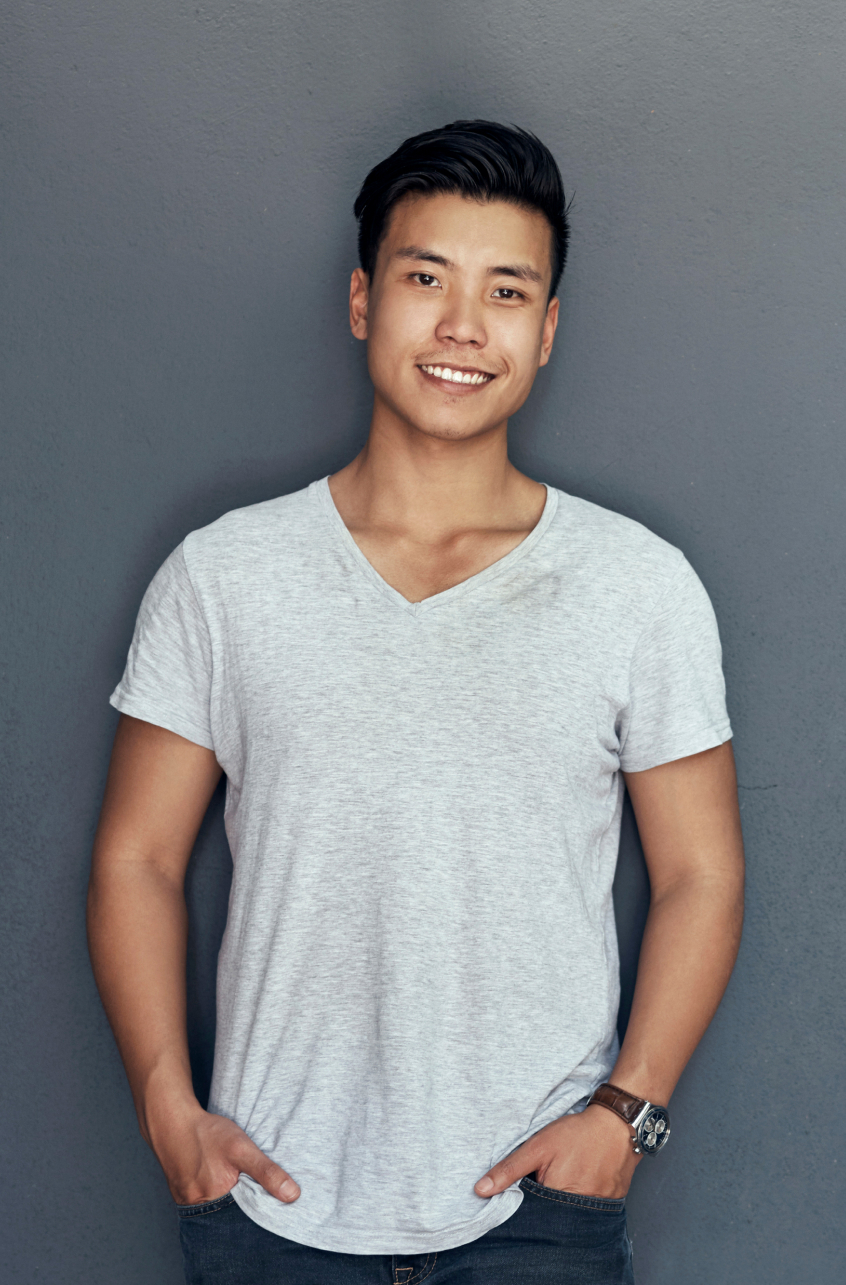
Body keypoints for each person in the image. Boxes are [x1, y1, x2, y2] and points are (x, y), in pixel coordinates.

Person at [87, 121, 745, 1285]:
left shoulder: (638, 586)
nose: (462, 325)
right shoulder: (222, 576)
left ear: (546, 330)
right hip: (269, 1214)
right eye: (426, 278)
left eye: (506, 291)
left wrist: (627, 1117)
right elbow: (136, 857)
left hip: (540, 1221)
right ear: (363, 301)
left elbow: (702, 872)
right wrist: (167, 1112)